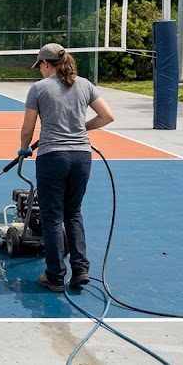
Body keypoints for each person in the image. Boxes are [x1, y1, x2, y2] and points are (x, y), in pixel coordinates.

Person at [18, 43, 115, 293]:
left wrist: (24, 148)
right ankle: (81, 270)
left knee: (52, 218)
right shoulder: (84, 84)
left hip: (53, 157)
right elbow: (107, 116)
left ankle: (55, 276)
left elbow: (28, 128)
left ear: (46, 64)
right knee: (73, 213)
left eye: (39, 65)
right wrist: (82, 129)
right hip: (82, 156)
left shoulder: (38, 88)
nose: (39, 70)